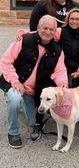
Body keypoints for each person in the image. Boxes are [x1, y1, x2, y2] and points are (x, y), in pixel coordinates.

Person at [0, 15, 68, 149]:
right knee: (14, 99)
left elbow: (60, 72)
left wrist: (63, 86)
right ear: (38, 28)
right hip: (16, 83)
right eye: (45, 28)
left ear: (55, 32)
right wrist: (14, 80)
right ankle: (13, 132)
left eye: (51, 29)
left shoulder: (58, 51)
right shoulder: (24, 40)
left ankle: (20, 104)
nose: (48, 32)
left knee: (32, 122)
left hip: (33, 90)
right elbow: (6, 61)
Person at [54, 8, 79, 139]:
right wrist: (22, 33)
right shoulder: (59, 31)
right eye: (72, 18)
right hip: (60, 69)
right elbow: (43, 33)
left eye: (77, 19)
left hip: (78, 70)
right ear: (67, 20)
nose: (74, 21)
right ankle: (60, 119)